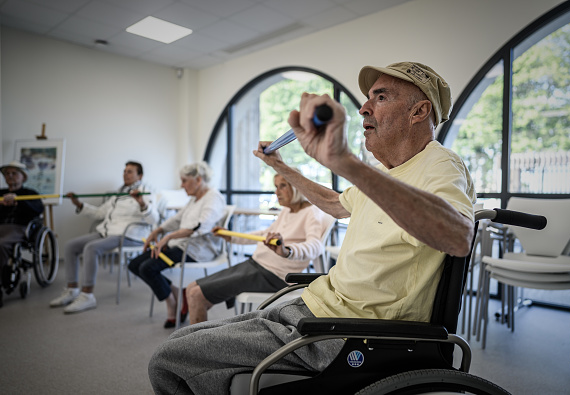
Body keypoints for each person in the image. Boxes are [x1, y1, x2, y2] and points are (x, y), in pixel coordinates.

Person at [148, 61, 476, 394]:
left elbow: (459, 236)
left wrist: (346, 163)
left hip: (349, 334)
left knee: (167, 359)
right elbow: (335, 204)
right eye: (368, 98)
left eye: (380, 97)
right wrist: (282, 167)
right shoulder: (387, 172)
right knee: (184, 340)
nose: (364, 108)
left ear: (418, 112)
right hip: (315, 309)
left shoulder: (439, 163)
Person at [187, 173, 331, 324]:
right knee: (192, 288)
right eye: (276, 186)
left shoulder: (311, 212)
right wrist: (232, 237)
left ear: (296, 186)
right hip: (256, 265)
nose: (277, 192)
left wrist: (286, 250)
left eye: (282, 186)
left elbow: (316, 246)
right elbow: (264, 234)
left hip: (273, 275)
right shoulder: (287, 210)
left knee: (196, 295)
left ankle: (195, 344)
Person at [49, 161, 158, 314]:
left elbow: (153, 219)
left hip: (127, 234)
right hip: (107, 231)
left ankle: (87, 295)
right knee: (70, 246)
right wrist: (79, 204)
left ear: (139, 175)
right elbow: (99, 213)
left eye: (130, 172)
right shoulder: (118, 193)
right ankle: (72, 290)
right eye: (124, 171)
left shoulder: (147, 192)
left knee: (91, 248)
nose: (125, 174)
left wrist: (141, 203)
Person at [128, 162, 225, 329]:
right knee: (135, 264)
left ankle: (171, 304)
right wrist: (159, 230)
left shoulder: (213, 198)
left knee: (148, 268)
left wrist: (169, 236)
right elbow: (178, 219)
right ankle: (178, 293)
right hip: (181, 245)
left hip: (198, 250)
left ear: (198, 180)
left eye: (184, 181)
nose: (181, 185)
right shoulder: (195, 198)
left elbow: (201, 226)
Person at [0, 161, 44, 297]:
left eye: (14, 173)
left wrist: (18, 200)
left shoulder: (30, 193)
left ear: (23, 177)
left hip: (18, 228)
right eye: (7, 173)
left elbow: (37, 210)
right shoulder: (0, 193)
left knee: (1, 245)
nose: (10, 176)